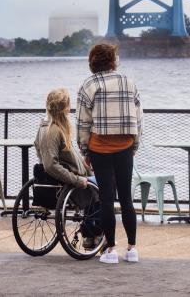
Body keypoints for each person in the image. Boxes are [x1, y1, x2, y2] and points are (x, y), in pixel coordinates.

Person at [77, 42, 142, 265]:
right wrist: (134, 146)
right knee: (126, 198)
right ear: (113, 60)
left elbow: (83, 123)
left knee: (106, 199)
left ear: (92, 62)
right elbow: (139, 119)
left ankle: (111, 250)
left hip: (100, 148)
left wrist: (85, 150)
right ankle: (132, 249)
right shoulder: (129, 82)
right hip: (124, 146)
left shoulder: (88, 85)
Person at [34, 88, 100, 249]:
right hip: (70, 183)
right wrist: (77, 180)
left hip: (73, 176)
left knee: (98, 179)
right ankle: (94, 234)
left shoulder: (46, 128)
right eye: (69, 104)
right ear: (65, 108)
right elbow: (51, 165)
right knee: (106, 185)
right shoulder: (54, 131)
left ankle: (91, 233)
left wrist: (86, 168)